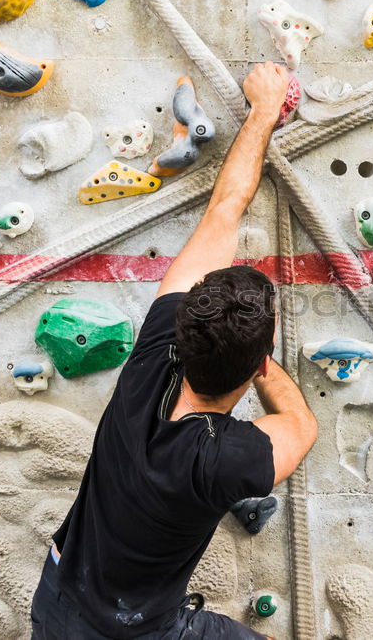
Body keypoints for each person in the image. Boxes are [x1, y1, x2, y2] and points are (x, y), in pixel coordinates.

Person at [30, 62, 318, 640]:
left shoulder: (155, 349)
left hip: (60, 601)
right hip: (138, 632)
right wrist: (262, 363)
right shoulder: (226, 459)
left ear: (185, 325)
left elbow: (224, 208)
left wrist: (262, 109)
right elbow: (301, 426)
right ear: (261, 361)